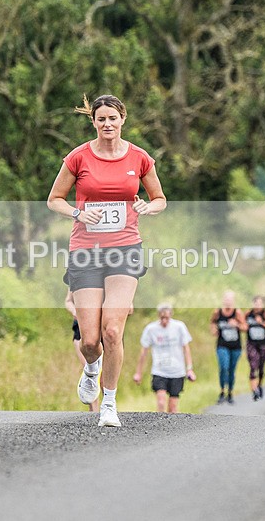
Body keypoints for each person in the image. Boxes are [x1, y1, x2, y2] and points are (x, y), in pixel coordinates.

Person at [48, 94, 167, 427]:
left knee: (112, 331)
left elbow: (160, 198)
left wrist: (148, 207)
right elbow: (54, 199)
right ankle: (90, 369)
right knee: (90, 341)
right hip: (85, 250)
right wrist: (79, 212)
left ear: (122, 119)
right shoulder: (78, 157)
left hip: (125, 249)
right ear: (94, 122)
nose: (107, 124)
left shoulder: (140, 158)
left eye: (112, 118)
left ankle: (109, 405)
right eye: (101, 119)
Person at [133, 303, 197, 414]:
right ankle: (160, 428)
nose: (164, 321)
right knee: (161, 402)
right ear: (158, 316)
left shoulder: (179, 327)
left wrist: (189, 369)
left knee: (172, 408)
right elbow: (144, 352)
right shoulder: (151, 329)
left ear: (170, 316)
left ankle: (172, 430)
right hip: (159, 370)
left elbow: (186, 349)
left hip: (177, 371)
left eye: (166, 318)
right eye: (162, 318)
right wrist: (138, 373)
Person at [209, 290, 247, 405]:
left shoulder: (237, 313)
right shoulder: (218, 312)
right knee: (223, 367)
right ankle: (222, 391)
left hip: (235, 346)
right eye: (226, 299)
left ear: (233, 301)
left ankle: (230, 393)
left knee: (231, 369)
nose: (228, 302)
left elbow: (245, 327)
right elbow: (212, 322)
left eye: (230, 300)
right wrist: (214, 330)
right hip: (222, 345)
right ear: (223, 300)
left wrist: (237, 325)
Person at [65, 289, 99, 412]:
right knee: (89, 367)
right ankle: (94, 410)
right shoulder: (76, 273)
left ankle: (107, 405)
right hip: (80, 326)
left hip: (101, 325)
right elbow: (68, 301)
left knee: (103, 371)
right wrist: (75, 311)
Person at [245, 295, 265, 401]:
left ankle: (259, 384)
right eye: (256, 303)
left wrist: (261, 323)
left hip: (263, 344)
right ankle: (254, 390)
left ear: (263, 305)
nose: (258, 305)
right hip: (251, 344)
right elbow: (243, 325)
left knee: (261, 368)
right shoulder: (248, 314)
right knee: (253, 366)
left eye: (260, 303)